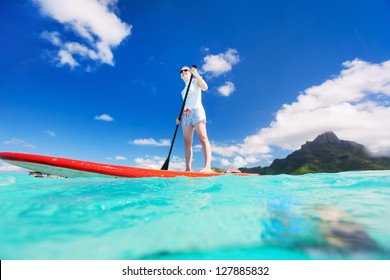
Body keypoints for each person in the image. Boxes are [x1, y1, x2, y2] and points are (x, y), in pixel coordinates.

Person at [176, 66, 213, 172]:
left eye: (185, 70)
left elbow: (205, 87)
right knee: (187, 142)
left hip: (197, 111)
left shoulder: (195, 81)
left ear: (190, 72)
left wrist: (196, 74)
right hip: (186, 115)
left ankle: (207, 167)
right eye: (181, 71)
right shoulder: (183, 91)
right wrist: (180, 117)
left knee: (202, 137)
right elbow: (185, 104)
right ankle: (188, 168)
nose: (183, 72)